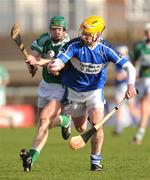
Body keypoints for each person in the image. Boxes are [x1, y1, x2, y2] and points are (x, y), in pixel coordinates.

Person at [27, 15, 137, 172]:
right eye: (83, 32)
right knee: (80, 128)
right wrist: (55, 66)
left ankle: (95, 161)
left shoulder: (106, 49)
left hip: (94, 92)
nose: (83, 35)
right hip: (74, 93)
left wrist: (130, 85)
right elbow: (61, 59)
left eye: (87, 33)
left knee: (97, 125)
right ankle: (66, 121)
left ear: (97, 34)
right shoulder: (74, 45)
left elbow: (130, 68)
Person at [19, 16, 71, 172]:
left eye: (59, 29)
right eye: (53, 29)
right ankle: (64, 121)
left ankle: (31, 158)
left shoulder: (69, 45)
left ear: (64, 30)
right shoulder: (44, 39)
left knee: (44, 120)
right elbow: (35, 55)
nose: (56, 32)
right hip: (45, 86)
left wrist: (38, 62)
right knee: (42, 124)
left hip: (61, 88)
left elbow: (53, 62)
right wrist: (31, 64)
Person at [132, 22, 150, 145]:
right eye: (147, 31)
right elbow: (133, 62)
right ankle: (140, 131)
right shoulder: (140, 47)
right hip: (143, 80)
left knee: (145, 104)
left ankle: (139, 134)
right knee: (144, 107)